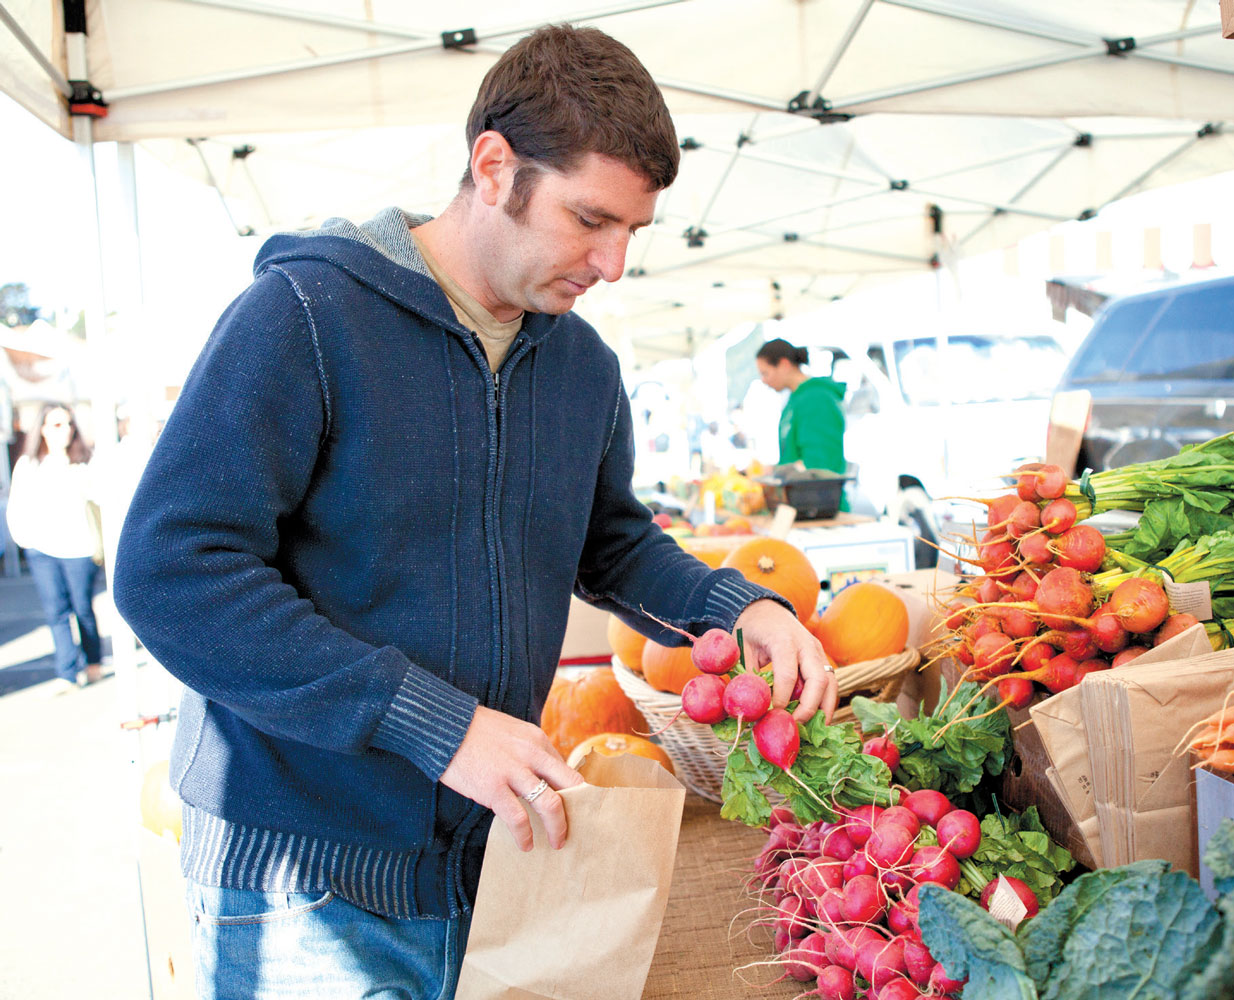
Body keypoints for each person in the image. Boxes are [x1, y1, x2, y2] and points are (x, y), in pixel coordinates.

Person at [112, 25, 834, 999]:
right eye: (591, 219)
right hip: (301, 889)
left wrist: (736, 606)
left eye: (633, 230)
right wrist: (432, 722)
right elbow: (172, 571)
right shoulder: (307, 318)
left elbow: (609, 542)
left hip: (494, 865)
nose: (614, 264)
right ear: (493, 167)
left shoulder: (582, 366)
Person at [6, 403, 103, 689]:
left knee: (82, 608)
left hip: (80, 549)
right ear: (43, 429)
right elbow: (17, 507)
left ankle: (94, 661)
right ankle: (67, 673)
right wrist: (27, 542)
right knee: (56, 612)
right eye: (57, 424)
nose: (66, 430)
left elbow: (100, 498)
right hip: (42, 551)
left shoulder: (85, 461)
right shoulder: (29, 464)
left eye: (69, 424)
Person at [755, 338, 850, 509]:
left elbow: (819, 464)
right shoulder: (796, 398)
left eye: (765, 373)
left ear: (784, 365)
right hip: (800, 504)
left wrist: (778, 473)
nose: (763, 380)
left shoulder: (817, 399)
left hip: (820, 506)